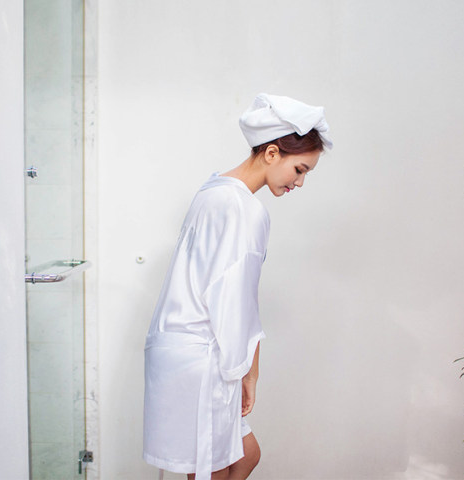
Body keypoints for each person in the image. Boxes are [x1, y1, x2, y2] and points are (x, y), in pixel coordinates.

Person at [143, 93, 333, 480]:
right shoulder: (246, 210)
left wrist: (245, 369)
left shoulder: (212, 190)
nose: (299, 182)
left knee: (244, 455)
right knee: (214, 470)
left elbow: (228, 291)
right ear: (272, 153)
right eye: (299, 169)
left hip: (180, 350)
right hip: (205, 356)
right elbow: (235, 301)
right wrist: (244, 373)